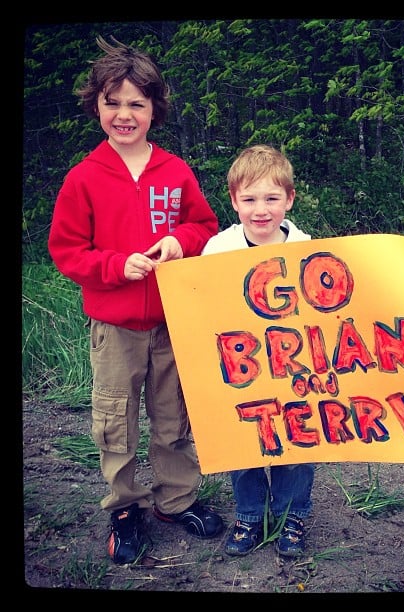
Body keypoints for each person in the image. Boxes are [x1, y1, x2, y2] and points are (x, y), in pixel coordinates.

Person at [48, 36, 224, 565]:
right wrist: (113, 266)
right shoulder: (83, 178)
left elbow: (205, 225)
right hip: (115, 326)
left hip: (174, 323)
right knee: (116, 421)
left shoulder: (174, 171)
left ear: (154, 109)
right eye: (113, 102)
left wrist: (181, 241)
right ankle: (125, 507)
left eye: (136, 104)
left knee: (174, 419)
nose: (124, 114)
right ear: (97, 106)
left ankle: (176, 499)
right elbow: (66, 251)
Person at [201, 144, 314, 558]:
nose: (260, 209)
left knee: (300, 438)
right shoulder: (217, 249)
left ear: (289, 199)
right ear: (233, 201)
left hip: (295, 366)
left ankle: (292, 513)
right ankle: (250, 514)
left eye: (271, 198)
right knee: (243, 438)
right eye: (249, 199)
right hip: (240, 368)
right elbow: (200, 308)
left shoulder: (306, 248)